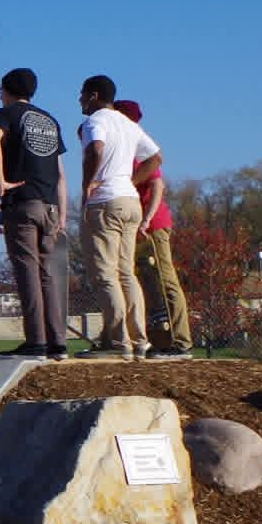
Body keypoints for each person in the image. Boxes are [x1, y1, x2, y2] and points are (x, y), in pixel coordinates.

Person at [0, 69, 69, 359]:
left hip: (23, 202)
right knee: (47, 272)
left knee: (27, 270)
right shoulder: (48, 120)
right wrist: (62, 212)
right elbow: (59, 172)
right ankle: (57, 340)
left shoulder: (6, 114)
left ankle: (36, 340)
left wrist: (1, 185)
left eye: (0, 90)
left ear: (7, 91)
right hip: (50, 205)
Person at [75, 76, 161, 358]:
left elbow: (95, 149)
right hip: (130, 201)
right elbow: (155, 158)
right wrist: (130, 180)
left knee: (104, 274)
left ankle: (117, 340)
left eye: (82, 94)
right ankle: (139, 341)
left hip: (105, 203)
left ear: (94, 95)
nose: (79, 99)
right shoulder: (128, 124)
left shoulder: (95, 121)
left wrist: (89, 184)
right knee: (126, 273)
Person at [115, 100, 191, 358]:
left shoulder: (138, 148)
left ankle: (181, 343)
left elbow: (157, 185)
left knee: (166, 279)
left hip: (153, 225)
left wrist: (147, 219)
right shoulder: (127, 148)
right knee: (146, 282)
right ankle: (157, 339)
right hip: (135, 225)